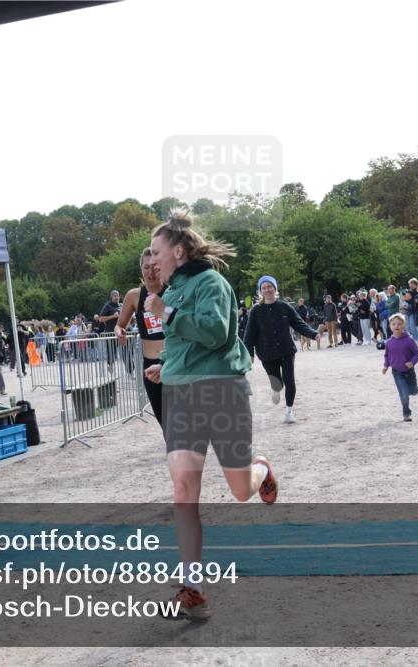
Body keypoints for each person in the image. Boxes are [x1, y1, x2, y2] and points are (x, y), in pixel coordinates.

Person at [144, 208, 278, 619]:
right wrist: (166, 363)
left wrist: (165, 312)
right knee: (183, 491)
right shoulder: (173, 289)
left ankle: (262, 469)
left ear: (179, 251)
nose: (151, 258)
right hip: (182, 397)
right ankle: (193, 587)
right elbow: (186, 343)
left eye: (156, 250)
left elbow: (217, 333)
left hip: (223, 391)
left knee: (240, 491)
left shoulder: (211, 283)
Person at [243, 275, 321, 424]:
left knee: (289, 380)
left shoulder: (285, 307)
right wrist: (249, 354)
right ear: (260, 291)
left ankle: (289, 411)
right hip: (267, 352)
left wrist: (314, 334)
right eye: (263, 288)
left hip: (286, 350)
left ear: (275, 288)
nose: (267, 290)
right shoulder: (256, 311)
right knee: (277, 382)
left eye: (269, 286)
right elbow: (249, 335)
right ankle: (276, 388)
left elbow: (299, 324)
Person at [115, 248, 167, 426]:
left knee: (182, 416)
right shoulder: (134, 296)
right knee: (163, 418)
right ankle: (176, 453)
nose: (151, 272)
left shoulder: (173, 292)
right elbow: (120, 325)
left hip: (173, 361)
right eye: (146, 267)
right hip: (150, 364)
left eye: (155, 267)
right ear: (141, 269)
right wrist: (119, 332)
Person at [382, 313, 418, 422]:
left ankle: (409, 392)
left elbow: (417, 353)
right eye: (394, 324)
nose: (396, 326)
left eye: (399, 324)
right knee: (404, 393)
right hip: (397, 372)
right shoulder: (388, 342)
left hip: (409, 371)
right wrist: (386, 366)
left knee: (413, 392)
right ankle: (406, 414)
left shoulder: (409, 340)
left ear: (403, 325)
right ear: (390, 326)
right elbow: (387, 356)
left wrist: (412, 362)